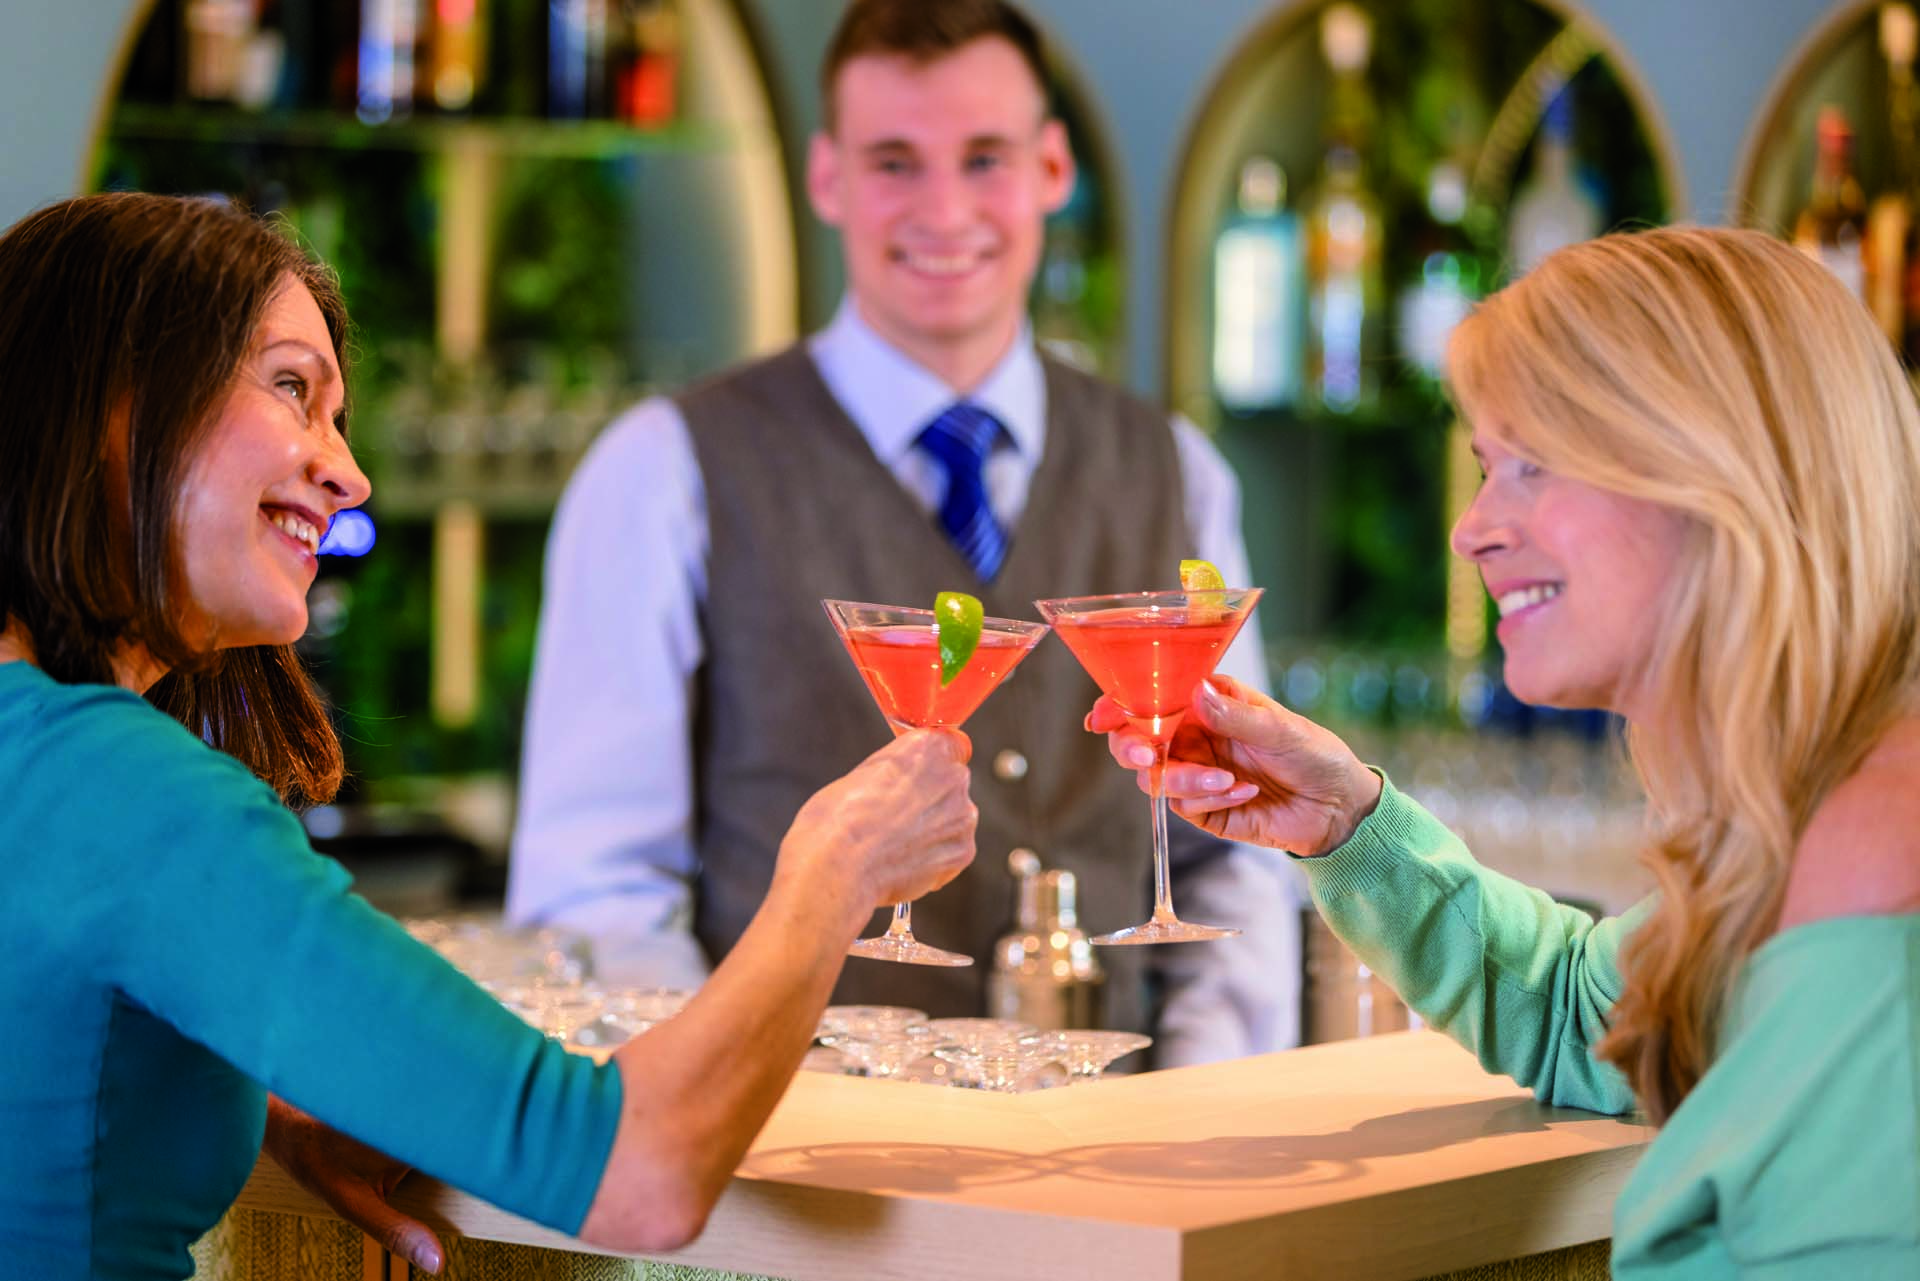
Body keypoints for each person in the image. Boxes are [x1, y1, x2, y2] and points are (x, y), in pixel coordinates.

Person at [0, 191, 978, 1279]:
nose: (349, 476)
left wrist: (246, 1097)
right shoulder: (134, 795)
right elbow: (639, 1173)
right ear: (113, 406)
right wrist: (835, 874)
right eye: (292, 390)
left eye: (340, 416)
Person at [1087, 225, 1920, 1272]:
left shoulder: (1877, 863)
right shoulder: (1795, 825)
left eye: (1536, 463)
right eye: (1486, 467)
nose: (1470, 529)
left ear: (1725, 479)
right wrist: (1350, 825)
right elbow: (1591, 1014)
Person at [508, 0, 1298, 1064]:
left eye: (985, 158)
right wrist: (733, 1126)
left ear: (1053, 170)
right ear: (827, 178)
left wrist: (1199, 1112)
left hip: (1121, 1169)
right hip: (791, 1181)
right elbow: (595, 890)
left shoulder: (1178, 469)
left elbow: (1235, 859)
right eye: (894, 162)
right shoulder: (663, 469)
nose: (944, 208)